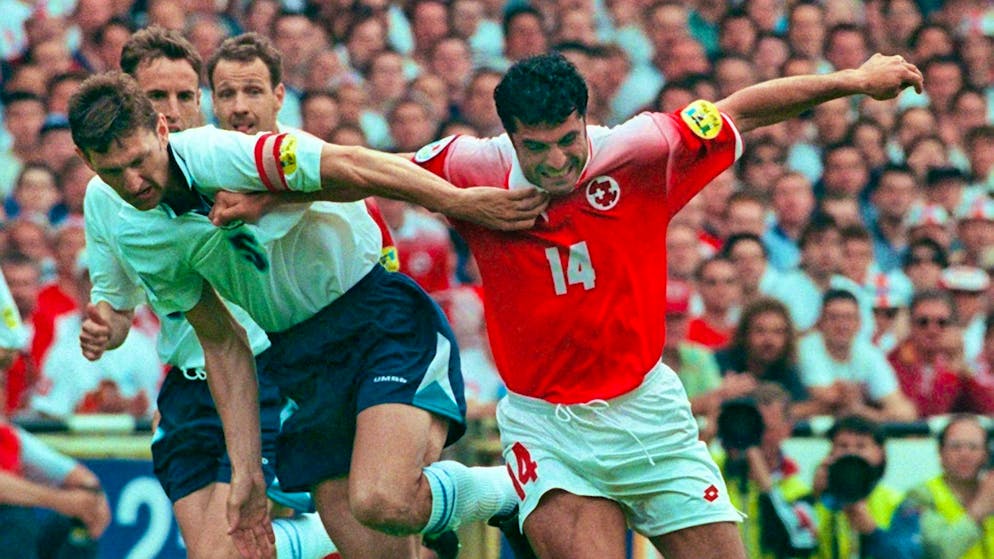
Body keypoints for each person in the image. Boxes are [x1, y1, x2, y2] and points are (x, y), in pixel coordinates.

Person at [395, 52, 923, 558]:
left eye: (567, 140)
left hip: (649, 412)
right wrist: (454, 201)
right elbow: (362, 170)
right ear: (510, 137)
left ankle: (495, 492)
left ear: (585, 120)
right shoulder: (471, 167)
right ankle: (506, 491)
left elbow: (742, 109)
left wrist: (853, 80)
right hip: (547, 426)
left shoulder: (642, 149)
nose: (556, 161)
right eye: (536, 147)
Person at [68, 71, 546, 559]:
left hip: (377, 322)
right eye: (112, 172)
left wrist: (459, 204)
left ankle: (505, 492)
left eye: (139, 161)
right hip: (297, 359)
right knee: (375, 545)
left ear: (163, 131)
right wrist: (247, 472)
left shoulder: (223, 153)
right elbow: (222, 343)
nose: (133, 183)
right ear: (87, 162)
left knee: (380, 497)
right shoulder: (138, 232)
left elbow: (353, 164)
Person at [81, 27, 336, 559]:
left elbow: (331, 184)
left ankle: (345, 531)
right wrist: (106, 324)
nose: (173, 110)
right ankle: (334, 536)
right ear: (127, 100)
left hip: (264, 370)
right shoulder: (107, 194)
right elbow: (118, 300)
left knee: (230, 551)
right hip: (187, 389)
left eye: (185, 95)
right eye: (156, 96)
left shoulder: (229, 160)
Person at [716, 383, 818, 559]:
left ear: (787, 429)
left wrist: (767, 488)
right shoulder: (713, 471)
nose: (757, 436)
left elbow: (801, 545)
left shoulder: (798, 490)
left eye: (765, 429)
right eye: (752, 426)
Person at [798, 289, 917, 422]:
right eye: (834, 317)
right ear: (820, 323)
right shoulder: (806, 348)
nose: (842, 325)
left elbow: (905, 412)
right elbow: (827, 398)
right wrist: (856, 402)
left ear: (859, 323)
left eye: (848, 318)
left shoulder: (870, 353)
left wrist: (860, 410)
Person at [809, 415, 918, 559]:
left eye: (861, 446)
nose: (851, 453)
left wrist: (872, 532)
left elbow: (908, 554)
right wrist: (813, 498)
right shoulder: (816, 500)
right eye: (843, 446)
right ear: (831, 452)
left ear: (879, 453)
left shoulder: (899, 503)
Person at [0, 419, 111, 559]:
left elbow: (81, 477)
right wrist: (60, 501)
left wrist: (94, 498)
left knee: (74, 522)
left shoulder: (9, 436)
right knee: (15, 520)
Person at [903, 414, 994, 559]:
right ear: (940, 452)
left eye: (973, 447)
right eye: (955, 446)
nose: (965, 454)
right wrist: (978, 510)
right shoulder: (921, 495)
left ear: (986, 454)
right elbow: (939, 552)